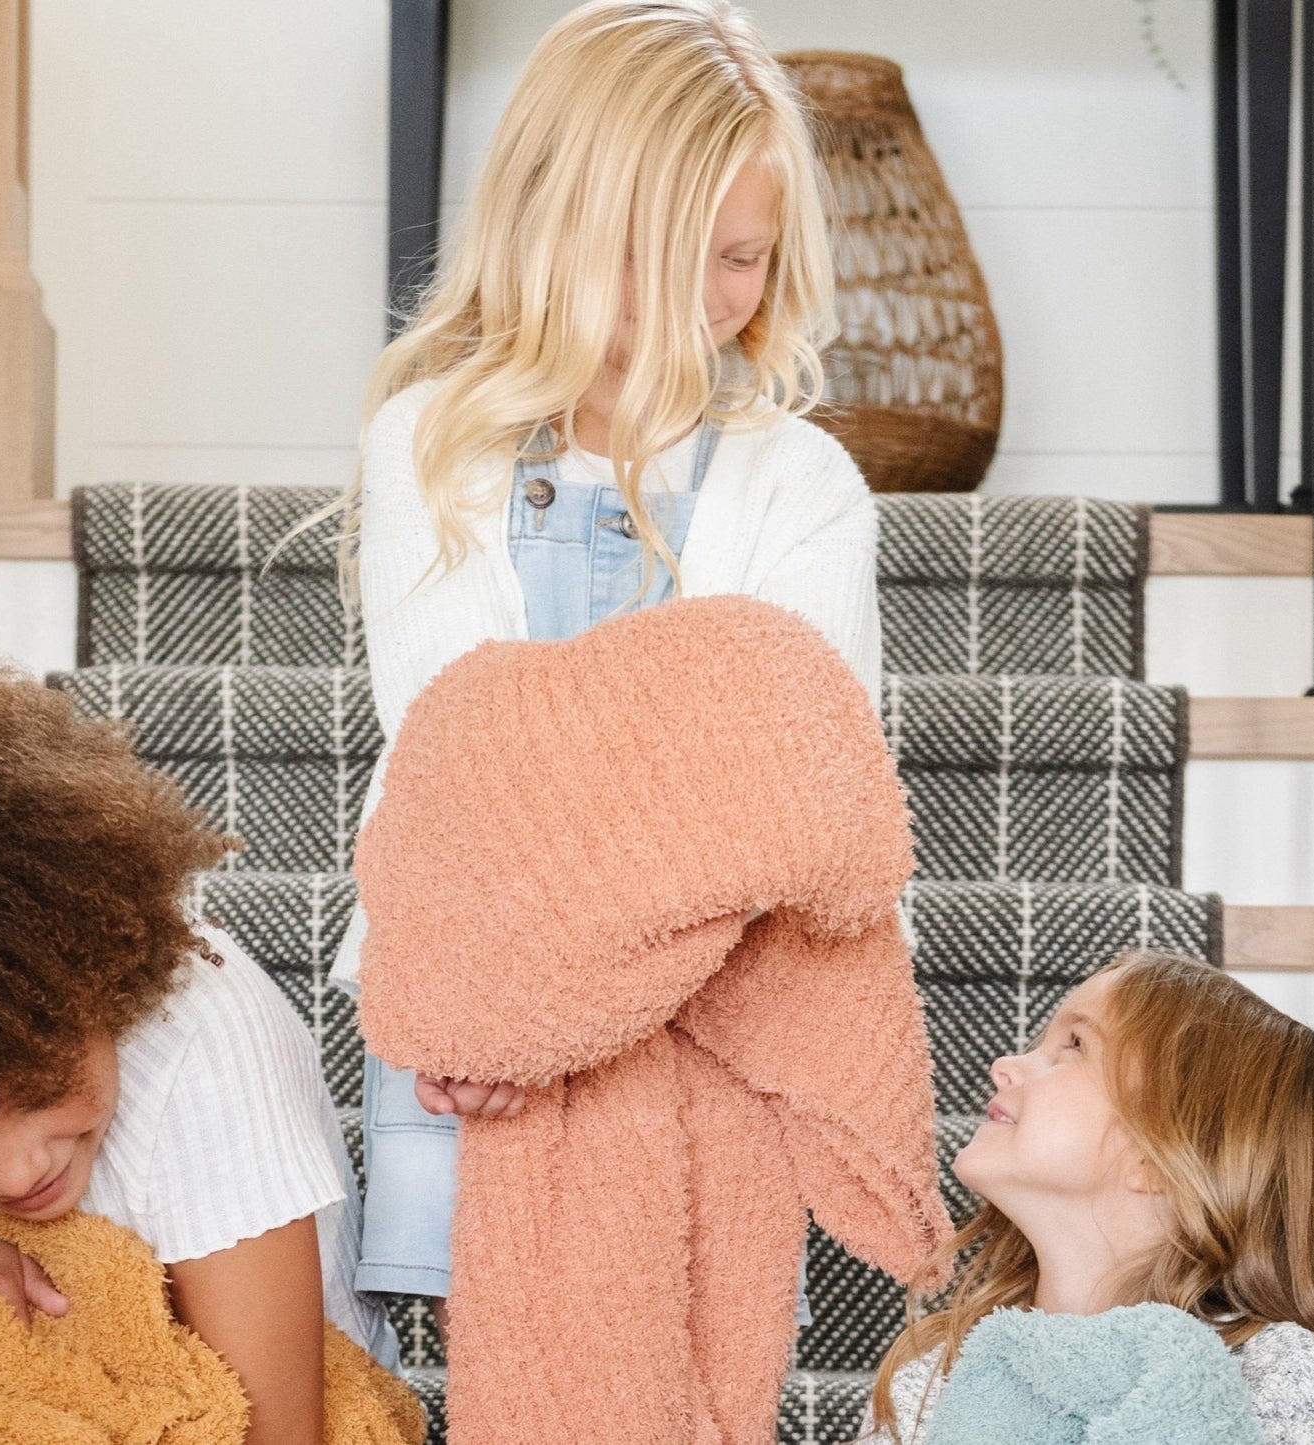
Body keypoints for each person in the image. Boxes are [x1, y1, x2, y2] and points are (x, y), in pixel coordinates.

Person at [317, 0, 882, 1332]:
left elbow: (796, 797)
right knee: (488, 1371)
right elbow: (464, 748)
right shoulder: (430, 447)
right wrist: (501, 1017)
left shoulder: (798, 482)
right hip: (470, 1013)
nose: (704, 302)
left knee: (682, 1373)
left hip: (709, 1018)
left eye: (740, 258)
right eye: (655, 259)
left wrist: (575, 999)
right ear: (545, 226)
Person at [0, 652, 401, 1445]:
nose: (17, 1171)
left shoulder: (203, 1034)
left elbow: (280, 1432)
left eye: (35, 1090)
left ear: (95, 972)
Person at [859, 951, 1314, 1443]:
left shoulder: (1281, 1373)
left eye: (1072, 1045)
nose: (1002, 1065)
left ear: (1158, 1157)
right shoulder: (936, 1373)